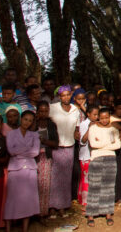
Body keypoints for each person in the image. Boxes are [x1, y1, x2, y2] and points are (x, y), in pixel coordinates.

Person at [84, 107, 121, 226]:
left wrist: (101, 144)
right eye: (102, 118)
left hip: (111, 158)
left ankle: (108, 213)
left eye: (107, 117)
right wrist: (108, 144)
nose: (104, 120)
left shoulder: (114, 129)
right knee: (94, 186)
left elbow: (118, 145)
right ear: (98, 118)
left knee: (109, 186)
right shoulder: (93, 128)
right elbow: (93, 144)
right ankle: (91, 214)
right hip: (96, 158)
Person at [3, 110, 40, 232]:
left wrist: (20, 151)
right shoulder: (11, 134)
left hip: (30, 168)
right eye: (25, 119)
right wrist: (27, 149)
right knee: (12, 198)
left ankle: (25, 228)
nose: (27, 123)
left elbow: (35, 152)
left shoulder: (34, 135)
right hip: (15, 168)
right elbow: (11, 151)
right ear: (21, 119)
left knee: (28, 199)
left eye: (30, 121)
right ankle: (8, 228)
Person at [48, 85, 79, 217]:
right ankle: (52, 207)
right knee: (54, 177)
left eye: (68, 95)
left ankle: (63, 206)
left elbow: (77, 127)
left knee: (66, 177)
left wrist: (77, 133)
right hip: (56, 146)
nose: (66, 97)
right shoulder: (52, 108)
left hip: (69, 146)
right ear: (59, 96)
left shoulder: (75, 110)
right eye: (63, 95)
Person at [33, 101, 57, 217]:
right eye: (41, 111)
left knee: (45, 185)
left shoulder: (51, 125)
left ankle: (42, 212)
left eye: (45, 111)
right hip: (33, 158)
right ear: (37, 111)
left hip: (46, 157)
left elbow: (56, 143)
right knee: (34, 185)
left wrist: (44, 141)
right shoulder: (32, 124)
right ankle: (32, 211)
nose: (43, 113)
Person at [77, 105, 98, 207]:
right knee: (86, 179)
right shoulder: (84, 124)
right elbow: (82, 141)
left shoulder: (97, 124)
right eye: (94, 114)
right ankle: (85, 201)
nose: (96, 117)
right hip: (85, 155)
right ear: (88, 114)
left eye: (97, 114)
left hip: (94, 155)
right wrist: (90, 128)